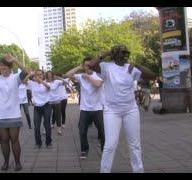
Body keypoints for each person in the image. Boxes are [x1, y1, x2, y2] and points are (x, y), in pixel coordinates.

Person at [88, 44, 155, 173]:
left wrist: (137, 65)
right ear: (114, 55)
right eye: (122, 52)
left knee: (135, 144)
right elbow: (90, 65)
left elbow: (152, 76)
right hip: (112, 111)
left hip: (131, 110)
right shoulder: (106, 67)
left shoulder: (131, 68)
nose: (125, 55)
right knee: (110, 145)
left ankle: (138, 170)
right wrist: (105, 53)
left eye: (127, 53)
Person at [63, 56, 105, 159]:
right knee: (82, 130)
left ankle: (104, 149)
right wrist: (78, 67)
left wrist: (89, 77)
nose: (88, 67)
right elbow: (66, 75)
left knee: (102, 130)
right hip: (85, 109)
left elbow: (98, 84)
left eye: (90, 65)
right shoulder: (81, 76)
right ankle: (84, 150)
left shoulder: (98, 75)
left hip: (97, 108)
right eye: (86, 65)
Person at [24, 70, 52, 149]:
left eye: (40, 75)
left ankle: (48, 142)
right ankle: (38, 143)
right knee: (36, 126)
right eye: (37, 75)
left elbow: (48, 87)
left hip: (46, 106)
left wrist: (40, 80)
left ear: (43, 75)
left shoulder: (47, 82)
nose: (39, 76)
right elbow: (24, 81)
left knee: (47, 125)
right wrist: (30, 74)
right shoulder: (32, 84)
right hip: (37, 107)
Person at [46, 71, 65, 135]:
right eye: (48, 75)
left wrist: (59, 77)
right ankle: (45, 129)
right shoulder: (45, 82)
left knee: (58, 115)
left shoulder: (56, 82)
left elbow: (65, 82)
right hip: (49, 101)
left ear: (52, 75)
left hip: (57, 101)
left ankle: (59, 129)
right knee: (47, 116)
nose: (49, 76)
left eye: (50, 75)